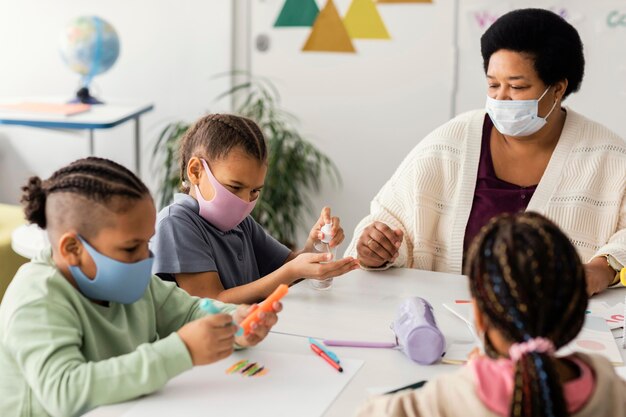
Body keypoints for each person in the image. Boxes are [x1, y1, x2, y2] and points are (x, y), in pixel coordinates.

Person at [345, 8, 626, 295]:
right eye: (493, 84)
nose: (501, 98)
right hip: (450, 325)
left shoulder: (610, 158)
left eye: (517, 86)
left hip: (557, 331)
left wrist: (604, 268)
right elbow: (389, 222)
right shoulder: (451, 142)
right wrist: (376, 250)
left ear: (557, 89)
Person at [0, 157, 280, 417]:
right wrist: (182, 350)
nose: (145, 258)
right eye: (131, 247)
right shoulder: (38, 298)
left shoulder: (132, 280)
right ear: (73, 248)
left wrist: (236, 323)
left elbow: (190, 310)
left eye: (146, 243)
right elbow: (64, 390)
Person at [357, 212, 626, 417]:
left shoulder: (452, 396)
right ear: (576, 314)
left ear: (479, 316)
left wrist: (476, 374)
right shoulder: (606, 384)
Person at [151, 114, 359, 304]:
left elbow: (288, 267)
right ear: (196, 171)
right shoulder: (176, 224)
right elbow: (213, 302)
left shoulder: (241, 224)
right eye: (235, 187)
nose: (244, 200)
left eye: (254, 191)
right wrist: (291, 271)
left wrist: (314, 248)